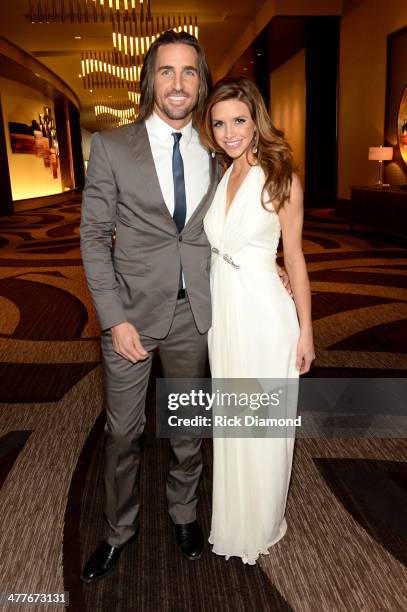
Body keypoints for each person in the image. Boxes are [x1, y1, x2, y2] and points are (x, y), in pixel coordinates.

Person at [79, 30, 218, 582]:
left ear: (201, 82)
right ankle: (119, 529)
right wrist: (113, 319)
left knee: (186, 424)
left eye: (189, 72)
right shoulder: (112, 147)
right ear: (150, 79)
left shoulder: (220, 145)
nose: (178, 83)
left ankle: (184, 513)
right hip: (131, 316)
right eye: (167, 71)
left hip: (194, 315)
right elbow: (94, 237)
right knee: (123, 432)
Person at [201, 76, 315, 564]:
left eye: (239, 121)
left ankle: (263, 519)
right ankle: (236, 517)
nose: (229, 132)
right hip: (225, 317)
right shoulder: (222, 174)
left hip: (266, 316)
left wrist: (307, 331)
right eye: (220, 122)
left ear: (256, 120)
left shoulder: (282, 177)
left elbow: (295, 256)